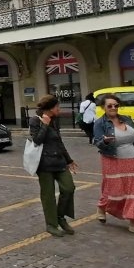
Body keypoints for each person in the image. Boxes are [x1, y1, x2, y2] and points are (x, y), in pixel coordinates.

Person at [92, 93, 134, 236]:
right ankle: (102, 207)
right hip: (112, 161)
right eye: (109, 106)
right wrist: (104, 141)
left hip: (132, 161)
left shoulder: (127, 120)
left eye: (116, 105)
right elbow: (97, 144)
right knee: (114, 192)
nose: (113, 108)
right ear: (103, 107)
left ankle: (133, 224)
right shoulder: (100, 123)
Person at [29, 95, 78, 237]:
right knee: (48, 195)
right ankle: (51, 224)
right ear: (50, 108)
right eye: (58, 107)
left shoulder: (55, 121)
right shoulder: (35, 120)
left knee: (69, 188)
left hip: (59, 162)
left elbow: (59, 141)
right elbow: (37, 140)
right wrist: (45, 124)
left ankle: (60, 217)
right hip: (44, 164)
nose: (59, 109)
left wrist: (68, 160)